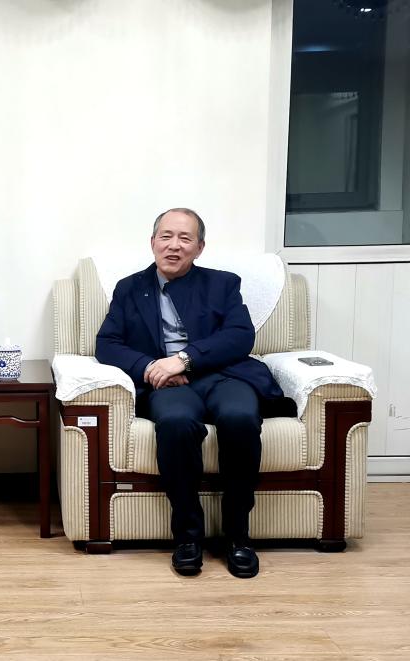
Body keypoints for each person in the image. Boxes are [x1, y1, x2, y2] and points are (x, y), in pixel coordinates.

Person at [95, 208, 294, 578]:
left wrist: (183, 360)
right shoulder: (129, 288)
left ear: (199, 248)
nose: (174, 245)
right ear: (153, 242)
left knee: (239, 417)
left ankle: (238, 536)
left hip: (223, 376)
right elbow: (107, 344)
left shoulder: (223, 284)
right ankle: (188, 537)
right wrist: (151, 368)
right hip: (168, 385)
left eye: (185, 238)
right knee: (175, 422)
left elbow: (240, 336)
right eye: (166, 236)